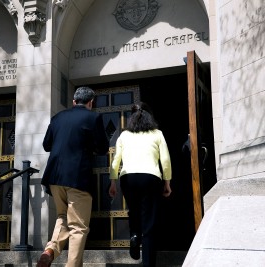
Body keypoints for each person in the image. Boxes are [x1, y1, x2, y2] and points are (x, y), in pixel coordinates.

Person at [37, 86, 109, 267]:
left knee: (62, 216)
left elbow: (46, 145)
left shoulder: (57, 117)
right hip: (77, 178)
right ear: (90, 102)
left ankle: (50, 250)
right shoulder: (93, 117)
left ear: (73, 101)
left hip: (54, 177)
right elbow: (103, 148)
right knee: (78, 226)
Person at [109, 102, 172, 267]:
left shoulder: (124, 135)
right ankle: (148, 263)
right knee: (149, 221)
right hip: (151, 178)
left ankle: (134, 235)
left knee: (134, 211)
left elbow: (116, 161)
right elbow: (165, 160)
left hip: (128, 178)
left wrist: (113, 182)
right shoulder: (157, 134)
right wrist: (167, 182)